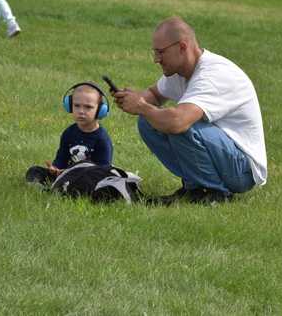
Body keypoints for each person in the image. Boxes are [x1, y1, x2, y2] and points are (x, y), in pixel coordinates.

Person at [112, 17, 267, 205]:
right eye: (155, 52)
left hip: (242, 169)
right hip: (223, 155)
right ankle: (195, 187)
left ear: (182, 47)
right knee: (148, 121)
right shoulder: (180, 71)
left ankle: (212, 192)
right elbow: (154, 94)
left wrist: (141, 106)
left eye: (161, 52)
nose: (156, 59)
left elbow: (177, 122)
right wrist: (132, 99)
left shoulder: (213, 75)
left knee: (177, 124)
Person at [26, 83, 114, 184]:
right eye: (77, 106)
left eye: (88, 107)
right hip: (66, 175)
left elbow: (102, 171)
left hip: (89, 178)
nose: (81, 111)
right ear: (69, 106)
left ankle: (61, 188)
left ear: (100, 110)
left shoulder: (102, 139)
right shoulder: (69, 133)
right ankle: (42, 186)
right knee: (34, 171)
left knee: (89, 183)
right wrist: (55, 168)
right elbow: (62, 157)